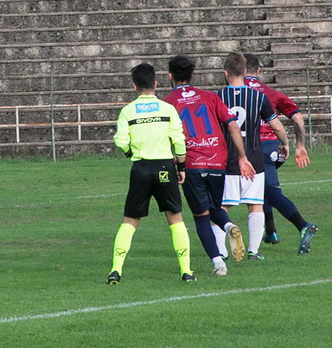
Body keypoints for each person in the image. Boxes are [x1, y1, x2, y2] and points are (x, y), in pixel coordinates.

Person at [164, 55, 255, 277]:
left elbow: (167, 135)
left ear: (169, 76)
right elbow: (232, 126)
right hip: (216, 160)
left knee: (201, 216)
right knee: (215, 206)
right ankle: (228, 226)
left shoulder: (167, 102)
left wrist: (174, 161)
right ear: (192, 75)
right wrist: (242, 157)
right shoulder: (210, 97)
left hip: (191, 163)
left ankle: (218, 264)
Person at [107, 63, 193, 284]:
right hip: (165, 167)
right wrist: (181, 167)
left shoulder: (128, 111)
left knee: (130, 220)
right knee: (175, 219)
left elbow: (121, 141)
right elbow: (179, 139)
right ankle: (186, 271)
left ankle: (116, 270)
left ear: (134, 86)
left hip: (141, 169)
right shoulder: (167, 109)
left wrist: (129, 153)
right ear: (155, 84)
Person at [242, 54, 317, 254]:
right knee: (263, 188)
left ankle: (302, 225)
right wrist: (299, 145)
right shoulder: (270, 93)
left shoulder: (236, 93)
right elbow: (298, 117)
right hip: (272, 147)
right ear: (258, 70)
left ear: (240, 71)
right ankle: (271, 231)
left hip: (249, 148)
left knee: (270, 191)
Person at [219, 52, 288, 261]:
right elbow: (276, 126)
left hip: (227, 159)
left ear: (225, 73)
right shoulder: (259, 98)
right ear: (245, 72)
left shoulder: (217, 97)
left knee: (221, 207)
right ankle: (253, 251)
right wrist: (285, 143)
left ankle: (221, 253)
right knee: (255, 204)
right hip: (254, 158)